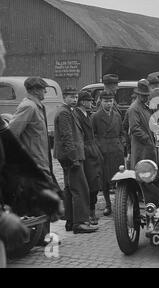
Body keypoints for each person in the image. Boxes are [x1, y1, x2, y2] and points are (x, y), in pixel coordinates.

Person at [8, 76, 60, 244]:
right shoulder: (28, 107)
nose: (45, 91)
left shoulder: (37, 106)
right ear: (35, 90)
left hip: (42, 160)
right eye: (43, 89)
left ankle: (41, 236)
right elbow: (11, 134)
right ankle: (41, 237)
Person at [54, 87, 97, 234]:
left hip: (69, 156)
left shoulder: (68, 111)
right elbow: (67, 137)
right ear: (64, 97)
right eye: (70, 97)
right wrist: (73, 158)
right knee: (80, 189)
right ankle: (80, 223)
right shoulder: (65, 112)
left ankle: (70, 220)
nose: (74, 99)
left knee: (69, 188)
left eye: (75, 97)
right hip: (72, 157)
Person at [92, 90, 125, 216]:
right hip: (103, 151)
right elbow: (92, 135)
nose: (108, 104)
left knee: (119, 178)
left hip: (116, 150)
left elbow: (122, 132)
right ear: (101, 102)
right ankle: (108, 204)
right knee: (105, 180)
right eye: (106, 101)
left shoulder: (117, 115)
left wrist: (121, 143)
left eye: (110, 101)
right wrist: (98, 146)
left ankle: (119, 204)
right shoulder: (95, 117)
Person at [74, 91, 103, 225]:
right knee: (89, 184)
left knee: (95, 182)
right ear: (82, 102)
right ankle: (89, 213)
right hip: (85, 151)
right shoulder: (77, 115)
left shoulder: (88, 114)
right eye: (89, 101)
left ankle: (91, 211)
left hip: (93, 150)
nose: (92, 103)